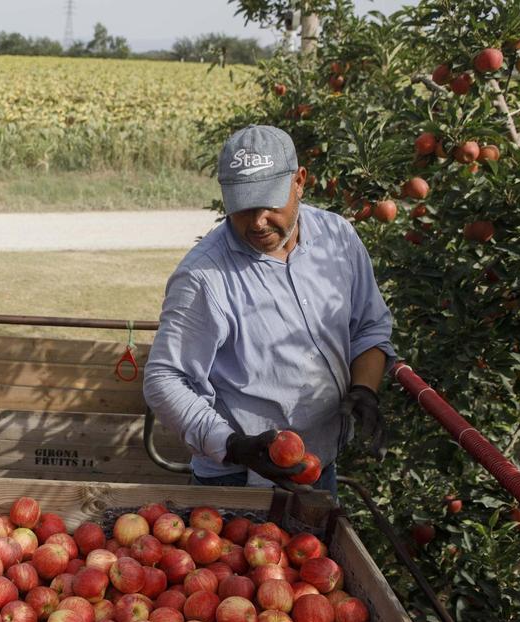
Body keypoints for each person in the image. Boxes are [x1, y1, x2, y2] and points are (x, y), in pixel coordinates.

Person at [143, 125, 394, 494]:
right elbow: (164, 378)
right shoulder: (204, 275)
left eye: (268, 204)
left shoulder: (338, 238)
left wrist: (364, 390)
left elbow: (369, 327)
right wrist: (233, 446)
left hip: (318, 466)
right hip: (237, 479)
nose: (257, 221)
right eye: (243, 208)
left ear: (299, 182)